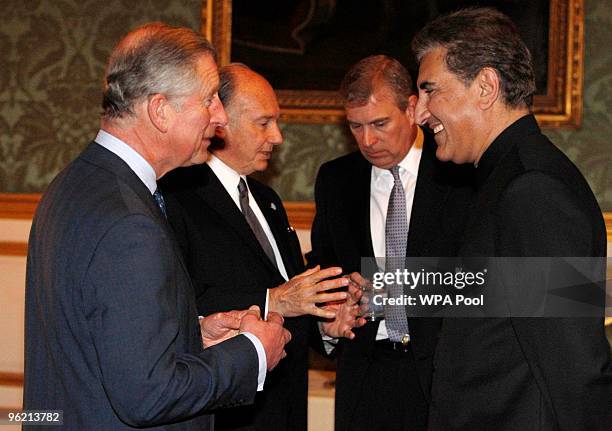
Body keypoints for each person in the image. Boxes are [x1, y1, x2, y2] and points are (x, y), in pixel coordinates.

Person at [23, 23, 291, 431]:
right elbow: (147, 396)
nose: (219, 117)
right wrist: (253, 351)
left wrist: (193, 335)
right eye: (209, 100)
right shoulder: (128, 222)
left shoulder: (78, 183)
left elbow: (103, 338)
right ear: (160, 110)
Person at [412, 8, 611, 430]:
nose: (420, 112)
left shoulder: (532, 190)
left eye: (430, 91)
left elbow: (574, 367)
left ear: (485, 87)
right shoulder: (506, 179)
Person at [160, 64, 362, 431]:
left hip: (285, 412)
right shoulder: (176, 196)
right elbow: (177, 303)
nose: (278, 137)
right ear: (220, 121)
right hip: (228, 414)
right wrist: (273, 299)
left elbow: (291, 298)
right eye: (263, 122)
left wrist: (326, 328)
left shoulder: (266, 199)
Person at [307, 55, 474, 431]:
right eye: (355, 126)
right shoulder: (336, 180)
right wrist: (334, 311)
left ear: (413, 108)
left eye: (380, 123)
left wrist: (383, 293)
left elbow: (480, 277)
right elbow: (323, 272)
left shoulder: (459, 171)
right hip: (366, 376)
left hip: (446, 374)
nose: (368, 140)